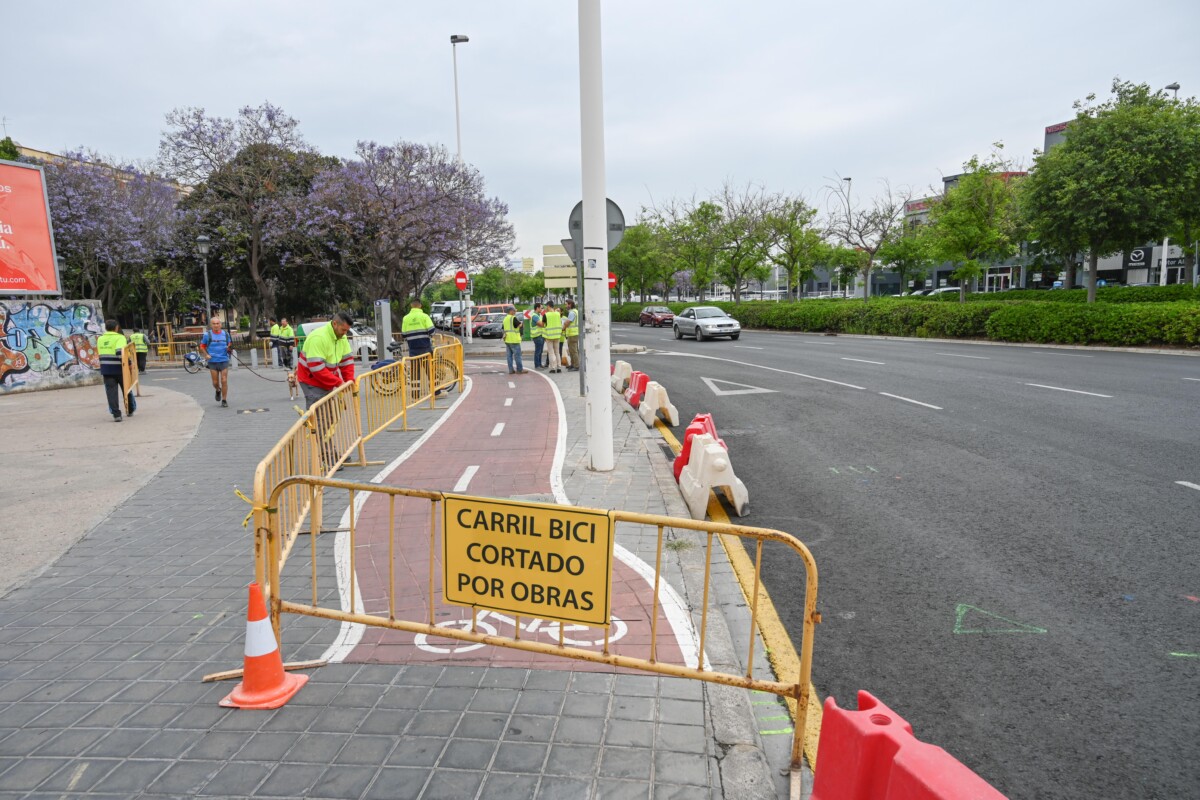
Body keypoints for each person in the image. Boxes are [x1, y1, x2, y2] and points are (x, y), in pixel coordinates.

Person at [297, 311, 356, 409]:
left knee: (329, 414)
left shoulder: (341, 337)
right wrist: (339, 383)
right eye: (343, 330)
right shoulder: (318, 338)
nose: (345, 333)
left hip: (326, 378)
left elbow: (347, 361)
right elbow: (316, 368)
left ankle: (314, 422)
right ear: (335, 324)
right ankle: (314, 422)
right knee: (321, 415)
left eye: (347, 330)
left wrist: (349, 381)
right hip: (311, 380)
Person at [97, 319, 135, 422]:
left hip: (106, 369)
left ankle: (116, 415)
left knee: (111, 393)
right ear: (116, 327)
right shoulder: (120, 337)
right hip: (120, 368)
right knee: (127, 389)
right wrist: (129, 363)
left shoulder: (100, 339)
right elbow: (120, 353)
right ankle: (130, 409)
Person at [199, 317, 232, 408]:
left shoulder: (225, 334)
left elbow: (229, 343)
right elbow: (202, 346)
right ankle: (218, 390)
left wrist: (228, 347)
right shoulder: (207, 335)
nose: (216, 325)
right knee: (215, 382)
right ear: (211, 325)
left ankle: (224, 400)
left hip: (224, 359)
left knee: (224, 380)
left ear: (220, 324)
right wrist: (206, 355)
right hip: (212, 361)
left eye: (217, 323)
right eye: (214, 324)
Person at [502, 306, 526, 374]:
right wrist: (521, 324)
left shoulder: (505, 318)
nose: (515, 312)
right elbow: (518, 325)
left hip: (507, 339)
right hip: (514, 339)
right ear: (511, 311)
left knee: (509, 356)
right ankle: (520, 369)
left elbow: (503, 328)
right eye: (514, 311)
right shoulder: (513, 318)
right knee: (517, 355)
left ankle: (511, 370)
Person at [542, 303, 563, 373]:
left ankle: (553, 368)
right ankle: (559, 367)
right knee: (557, 352)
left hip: (549, 336)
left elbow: (542, 324)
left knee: (551, 353)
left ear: (548, 306)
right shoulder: (558, 314)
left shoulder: (546, 315)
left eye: (546, 307)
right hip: (557, 335)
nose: (546, 308)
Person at [564, 299, 581, 371]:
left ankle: (576, 366)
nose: (565, 306)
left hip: (572, 334)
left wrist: (563, 326)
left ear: (570, 304)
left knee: (573, 351)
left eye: (566, 304)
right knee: (572, 350)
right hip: (575, 333)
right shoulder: (576, 311)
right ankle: (573, 364)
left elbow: (568, 322)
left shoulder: (572, 313)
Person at [530, 302, 546, 369]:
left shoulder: (539, 315)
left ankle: (539, 364)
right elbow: (541, 324)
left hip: (541, 335)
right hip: (537, 336)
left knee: (540, 351)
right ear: (537, 308)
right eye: (541, 308)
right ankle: (537, 365)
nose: (542, 309)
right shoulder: (534, 316)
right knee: (538, 351)